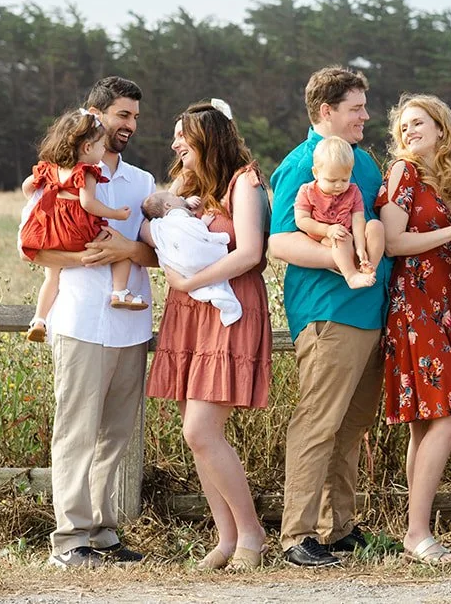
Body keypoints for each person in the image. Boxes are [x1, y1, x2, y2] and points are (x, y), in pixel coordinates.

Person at [27, 76, 156, 569]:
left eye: (135, 117)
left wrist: (127, 249)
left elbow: (158, 253)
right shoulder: (58, 175)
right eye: (123, 115)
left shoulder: (141, 182)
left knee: (115, 436)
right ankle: (69, 540)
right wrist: (88, 257)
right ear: (95, 115)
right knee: (77, 432)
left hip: (131, 324)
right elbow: (32, 247)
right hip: (80, 320)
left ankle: (102, 531)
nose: (130, 125)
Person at [268, 67, 387, 568]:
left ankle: (336, 527)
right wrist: (342, 259)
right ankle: (297, 536)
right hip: (329, 312)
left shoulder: (364, 162)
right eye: (356, 108)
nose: (366, 116)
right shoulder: (302, 164)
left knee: (351, 425)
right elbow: (280, 241)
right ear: (326, 111)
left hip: (370, 311)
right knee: (318, 423)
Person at [146, 99, 272, 569]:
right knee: (196, 433)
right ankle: (226, 538)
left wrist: (190, 281)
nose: (175, 145)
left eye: (183, 137)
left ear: (208, 138)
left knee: (200, 430)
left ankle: (252, 533)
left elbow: (251, 253)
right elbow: (157, 226)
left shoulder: (245, 182)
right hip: (189, 311)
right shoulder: (189, 184)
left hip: (228, 306)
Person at [377, 93, 451, 565]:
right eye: (404, 126)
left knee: (426, 426)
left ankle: (415, 532)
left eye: (418, 123)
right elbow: (392, 242)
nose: (409, 131)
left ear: (442, 129)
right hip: (417, 307)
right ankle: (417, 532)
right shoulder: (403, 172)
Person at [21, 108, 139, 339]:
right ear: (87, 148)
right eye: (101, 145)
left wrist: (39, 202)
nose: (103, 150)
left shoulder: (50, 168)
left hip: (53, 232)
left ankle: (39, 320)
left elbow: (27, 187)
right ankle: (120, 292)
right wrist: (116, 214)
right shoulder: (86, 171)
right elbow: (88, 204)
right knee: (120, 249)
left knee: (51, 277)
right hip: (79, 233)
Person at [296, 137, 387, 290]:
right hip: (327, 239)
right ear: (316, 173)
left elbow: (358, 219)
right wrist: (327, 230)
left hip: (352, 236)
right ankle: (351, 276)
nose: (339, 185)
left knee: (375, 225)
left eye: (345, 180)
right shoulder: (307, 191)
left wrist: (360, 247)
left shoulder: (353, 191)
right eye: (332, 180)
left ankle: (368, 266)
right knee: (341, 236)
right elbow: (302, 220)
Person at [141, 189, 241, 325]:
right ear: (168, 206)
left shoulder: (160, 225)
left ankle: (215, 294)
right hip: (194, 257)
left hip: (184, 268)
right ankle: (219, 295)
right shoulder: (175, 216)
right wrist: (202, 221)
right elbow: (190, 227)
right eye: (174, 196)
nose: (180, 196)